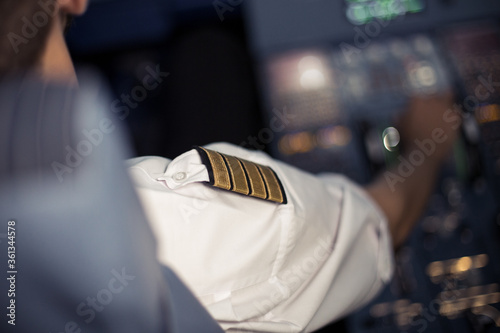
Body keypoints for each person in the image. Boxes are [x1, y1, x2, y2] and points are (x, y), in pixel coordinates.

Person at [0, 0, 460, 332]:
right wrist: (426, 145)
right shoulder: (199, 220)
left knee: (204, 50)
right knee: (208, 48)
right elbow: (382, 220)